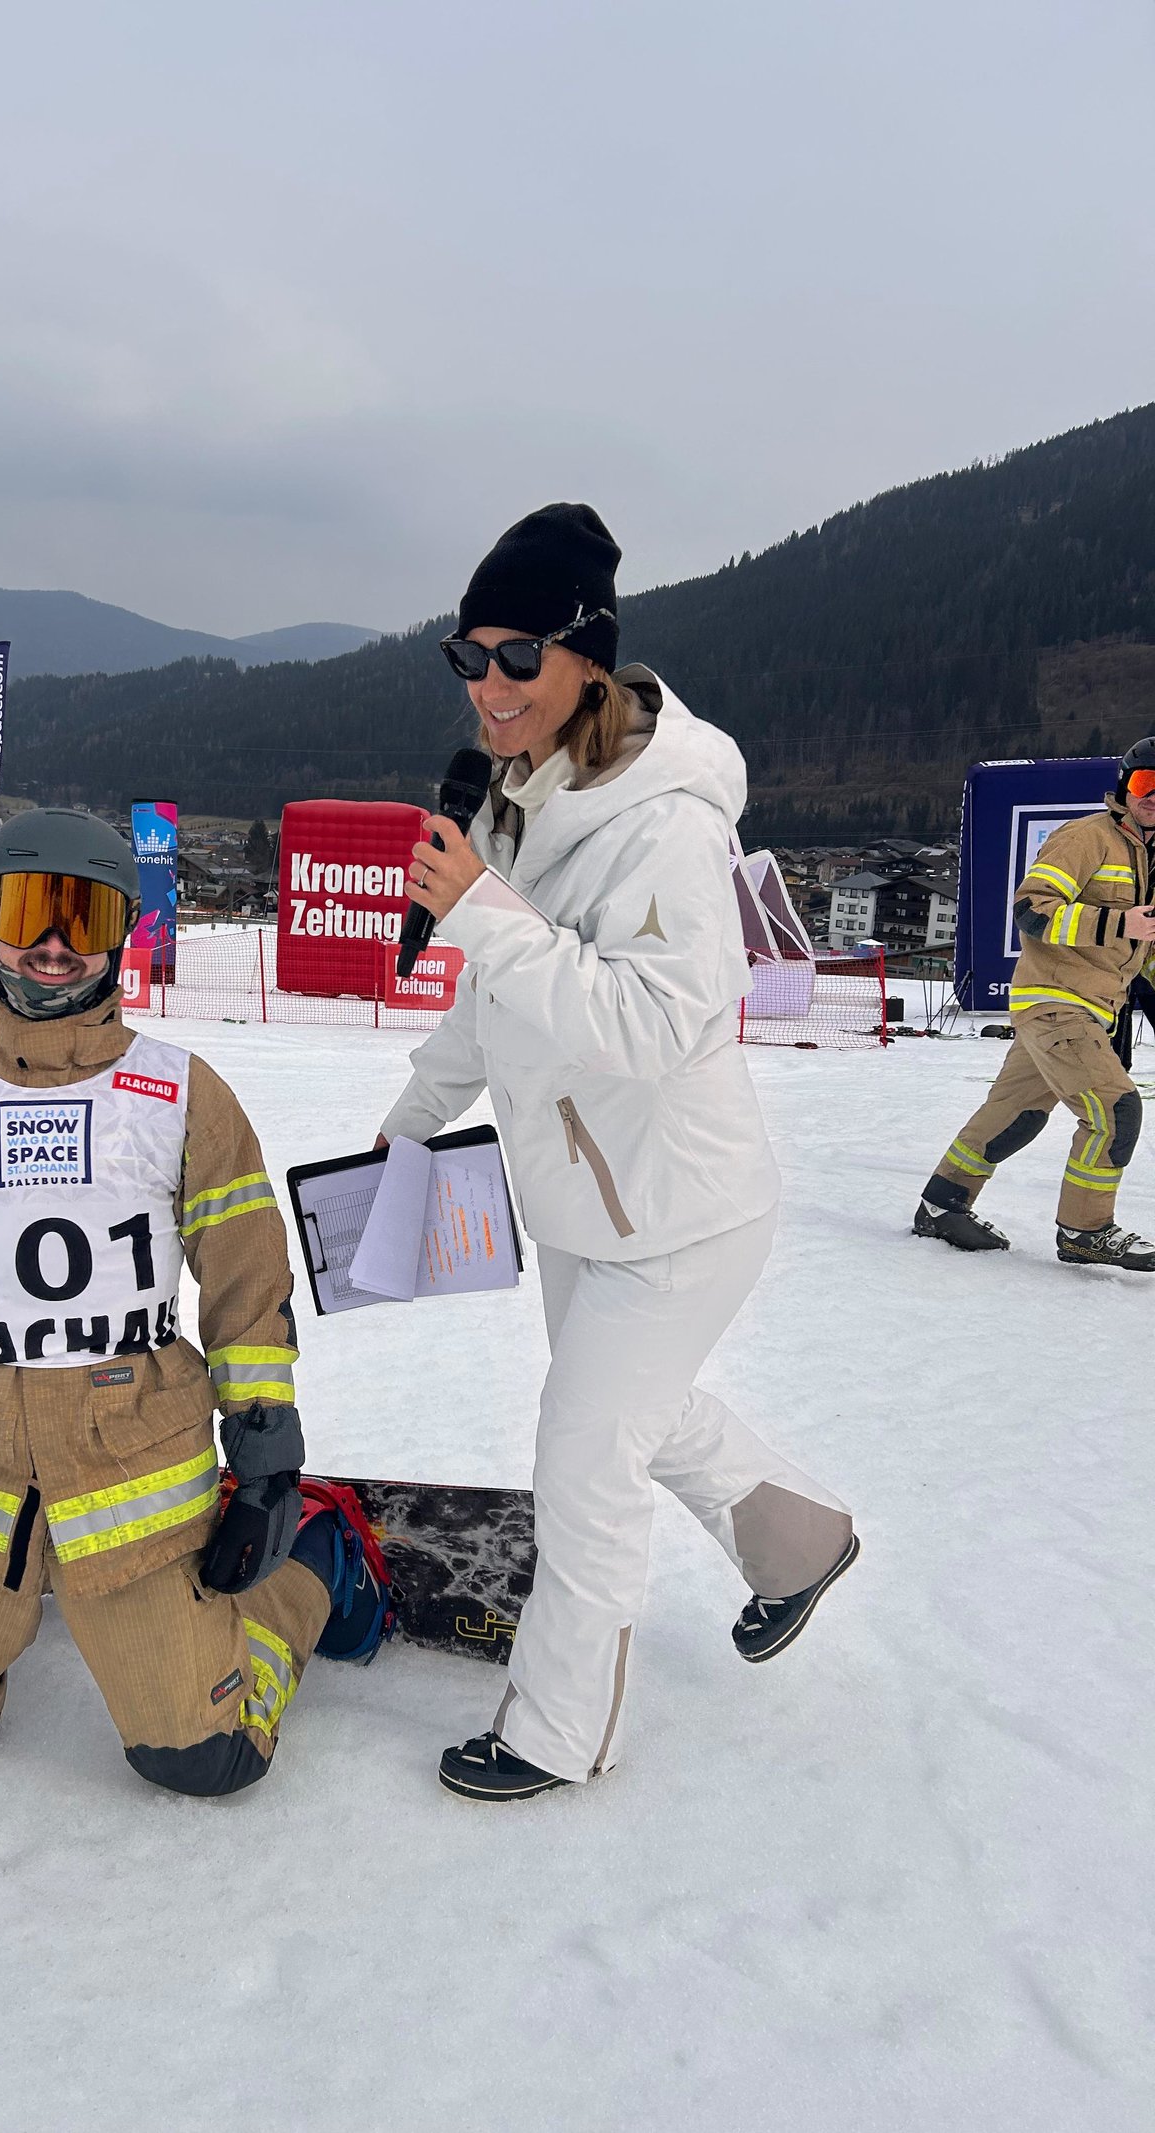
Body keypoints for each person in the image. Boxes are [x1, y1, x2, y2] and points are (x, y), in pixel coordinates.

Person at [379, 503, 856, 1802]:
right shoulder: (523, 795)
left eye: (517, 657)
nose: (488, 685)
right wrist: (411, 1123)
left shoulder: (667, 824)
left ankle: (558, 1728)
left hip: (683, 1213)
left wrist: (485, 913)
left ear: (587, 659)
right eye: (467, 657)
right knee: (639, 1411)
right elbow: (496, 997)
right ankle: (799, 1541)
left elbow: (654, 1025)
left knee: (586, 1453)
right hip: (579, 1203)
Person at [0, 808, 386, 1795]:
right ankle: (2, 1600)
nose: (55, 945)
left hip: (133, 1472)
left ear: (122, 936)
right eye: (31, 910)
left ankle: (314, 1565)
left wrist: (267, 1460)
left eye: (86, 917)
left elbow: (246, 1279)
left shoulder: (181, 1095)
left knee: (204, 1758)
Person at [915, 737, 1155, 1269]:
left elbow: (1143, 947)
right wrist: (1119, 922)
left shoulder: (1150, 861)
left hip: (1095, 1006)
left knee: (1015, 1115)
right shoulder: (1087, 837)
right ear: (1124, 787)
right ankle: (1085, 1231)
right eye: (1146, 783)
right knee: (1115, 1111)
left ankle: (941, 1205)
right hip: (1057, 1000)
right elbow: (1032, 910)